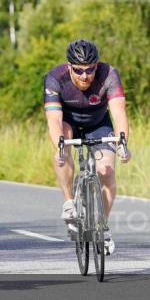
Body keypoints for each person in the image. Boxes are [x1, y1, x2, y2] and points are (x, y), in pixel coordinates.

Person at [44, 39, 131, 254]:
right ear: (69, 66)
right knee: (62, 149)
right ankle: (69, 203)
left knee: (106, 171)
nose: (85, 76)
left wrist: (122, 143)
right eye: (79, 70)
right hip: (68, 122)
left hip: (98, 123)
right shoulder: (55, 78)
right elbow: (54, 119)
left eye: (90, 69)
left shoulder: (109, 74)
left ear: (97, 65)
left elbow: (119, 113)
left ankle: (102, 227)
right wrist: (59, 146)